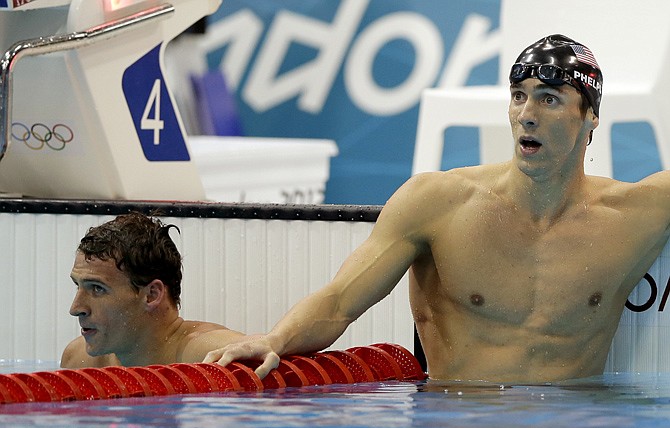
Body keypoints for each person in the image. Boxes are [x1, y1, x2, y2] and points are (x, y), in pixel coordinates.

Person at [204, 34, 670, 384]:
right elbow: (340, 300)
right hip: (458, 423)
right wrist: (274, 340)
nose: (527, 113)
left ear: (590, 116)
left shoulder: (631, 215)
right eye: (519, 95)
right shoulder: (438, 204)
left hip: (579, 426)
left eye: (550, 99)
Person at [60, 212, 245, 368]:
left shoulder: (207, 354)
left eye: (97, 288)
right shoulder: (78, 360)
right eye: (78, 285)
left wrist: (274, 340)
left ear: (151, 295)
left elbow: (263, 347)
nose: (76, 308)